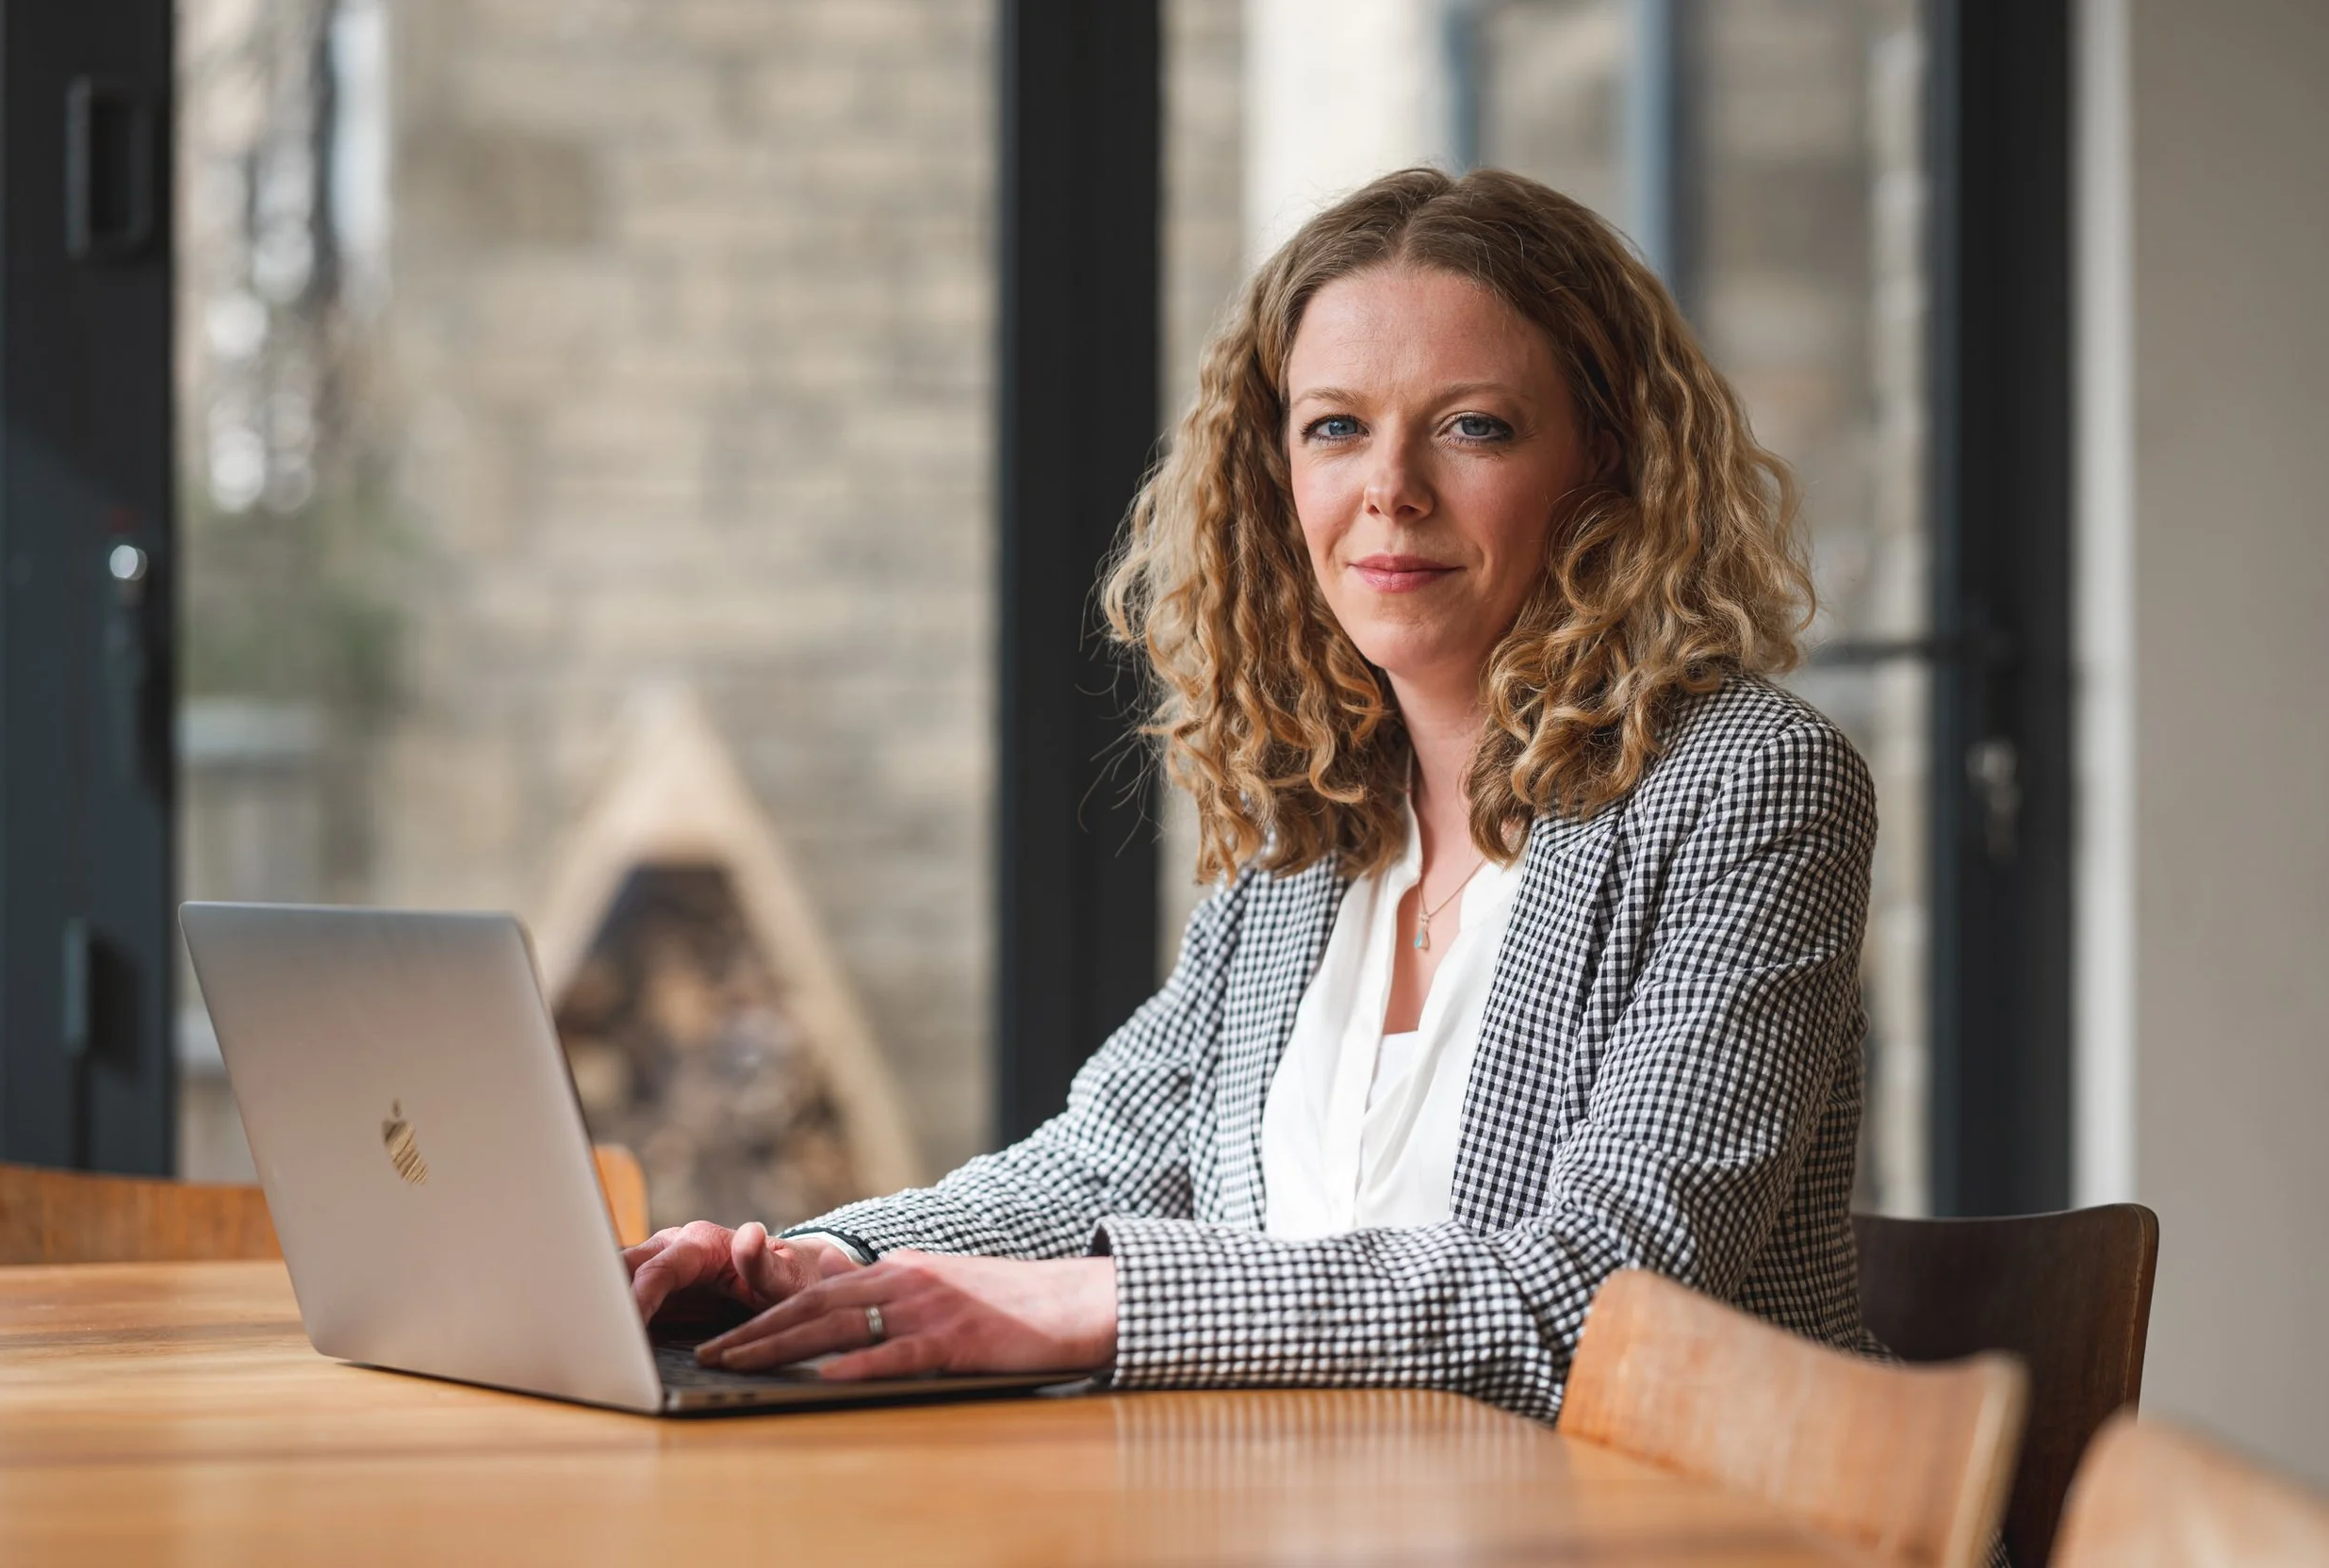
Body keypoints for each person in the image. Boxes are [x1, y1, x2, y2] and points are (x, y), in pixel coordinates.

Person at [623, 166, 1877, 1422]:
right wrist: (820, 1265)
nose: (1391, 487)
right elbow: (1108, 1156)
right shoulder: (1314, 825)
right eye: (1336, 427)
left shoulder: (1750, 787)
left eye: (1472, 426)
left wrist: (1103, 1305)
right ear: (1275, 472)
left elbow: (1602, 1298)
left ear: (1604, 458)